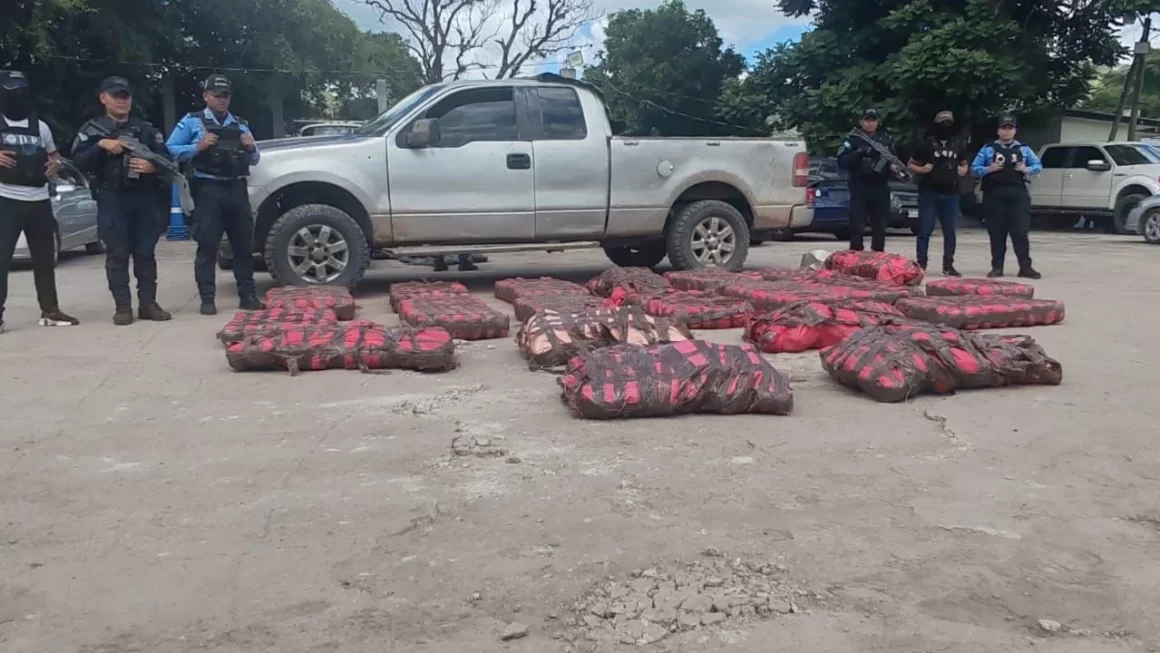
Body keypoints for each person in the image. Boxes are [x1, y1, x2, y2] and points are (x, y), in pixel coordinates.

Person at [72, 77, 174, 325]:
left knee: (145, 254)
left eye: (125, 96)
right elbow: (78, 162)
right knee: (117, 255)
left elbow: (168, 162)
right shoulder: (92, 130)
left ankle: (148, 304)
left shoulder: (146, 130)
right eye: (116, 95)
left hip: (144, 199)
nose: (121, 100)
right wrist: (101, 146)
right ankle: (123, 307)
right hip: (112, 199)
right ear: (103, 98)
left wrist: (151, 166)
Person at [166, 74, 263, 315]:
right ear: (206, 96)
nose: (221, 100)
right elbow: (169, 150)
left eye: (225, 95)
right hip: (208, 188)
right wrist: (196, 147)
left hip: (236, 187)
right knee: (207, 245)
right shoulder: (191, 122)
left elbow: (256, 157)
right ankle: (207, 300)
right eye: (216, 95)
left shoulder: (240, 123)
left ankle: (248, 296)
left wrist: (250, 147)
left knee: (242, 245)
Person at [0, 70, 80, 333]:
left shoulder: (40, 126)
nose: (18, 96)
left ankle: (50, 310)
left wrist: (54, 165)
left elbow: (55, 156)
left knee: (45, 259)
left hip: (39, 198)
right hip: (6, 198)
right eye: (12, 91)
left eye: (22, 91)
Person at [970, 115, 1042, 279]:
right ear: (998, 131)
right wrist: (989, 169)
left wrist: (1026, 169)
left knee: (1020, 232)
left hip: (1017, 193)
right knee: (996, 233)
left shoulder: (1024, 149)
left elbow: (1038, 166)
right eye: (1004, 128)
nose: (1007, 131)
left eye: (1010, 128)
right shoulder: (988, 149)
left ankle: (1025, 267)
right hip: (994, 194)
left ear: (1015, 130)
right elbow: (974, 169)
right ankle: (997, 267)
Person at [908, 110, 968, 276]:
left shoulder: (958, 144)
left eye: (948, 123)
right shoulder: (926, 144)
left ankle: (948, 265)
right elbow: (910, 165)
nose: (945, 127)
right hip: (929, 192)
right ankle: (921, 265)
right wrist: (921, 169)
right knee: (924, 230)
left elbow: (964, 163)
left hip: (952, 192)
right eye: (942, 123)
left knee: (950, 232)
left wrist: (963, 169)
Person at [836, 108, 896, 252]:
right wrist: (860, 152)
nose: (870, 124)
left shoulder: (885, 139)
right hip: (860, 187)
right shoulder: (853, 140)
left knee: (880, 227)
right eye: (867, 120)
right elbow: (841, 161)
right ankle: (855, 256)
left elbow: (893, 160)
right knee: (857, 225)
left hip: (880, 187)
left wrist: (893, 167)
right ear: (861, 122)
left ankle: (877, 257)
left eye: (873, 120)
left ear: (877, 122)